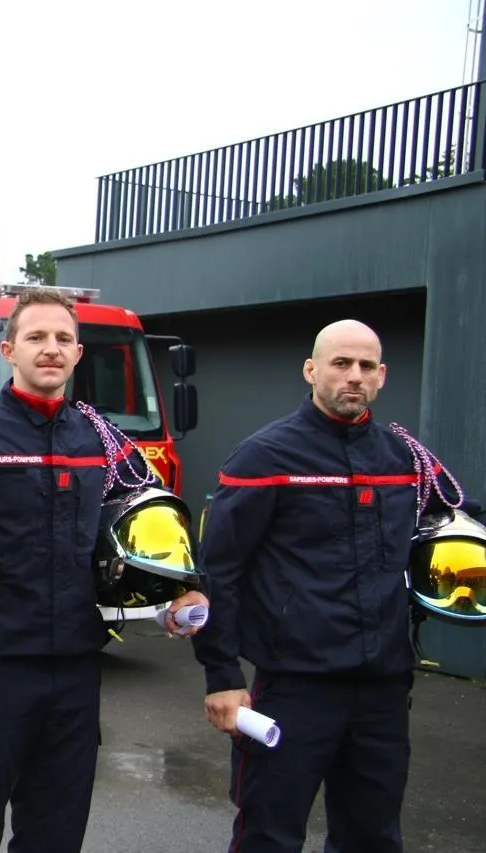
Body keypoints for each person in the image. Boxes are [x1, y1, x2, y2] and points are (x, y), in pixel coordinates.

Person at [0, 288, 209, 853]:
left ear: (77, 353)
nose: (50, 348)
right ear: (8, 350)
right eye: (36, 337)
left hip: (74, 671)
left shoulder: (102, 440)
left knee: (56, 835)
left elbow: (151, 519)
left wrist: (183, 589)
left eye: (63, 339)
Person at [191, 319, 479, 853]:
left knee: (373, 837)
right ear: (311, 370)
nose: (354, 376)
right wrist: (222, 675)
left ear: (382, 376)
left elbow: (461, 517)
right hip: (294, 687)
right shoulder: (264, 456)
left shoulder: (405, 459)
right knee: (269, 836)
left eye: (367, 366)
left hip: (382, 688)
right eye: (341, 363)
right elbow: (219, 570)